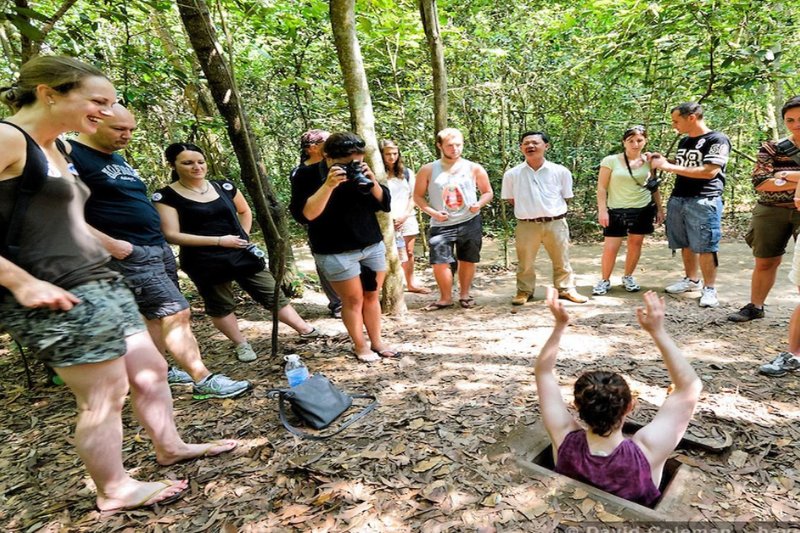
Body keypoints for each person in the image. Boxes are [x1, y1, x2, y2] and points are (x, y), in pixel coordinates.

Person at [0, 56, 235, 512]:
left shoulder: (60, 149)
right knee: (104, 395)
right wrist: (20, 281)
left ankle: (169, 446)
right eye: (98, 102)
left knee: (151, 373)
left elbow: (65, 218)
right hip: (54, 290)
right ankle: (113, 489)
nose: (107, 113)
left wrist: (109, 246)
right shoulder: (7, 138)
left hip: (100, 279)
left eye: (111, 103)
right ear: (50, 93)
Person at [69, 104, 249, 399]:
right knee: (177, 312)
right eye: (119, 129)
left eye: (131, 130)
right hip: (127, 252)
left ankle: (159, 369)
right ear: (91, 122)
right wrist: (112, 245)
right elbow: (61, 211)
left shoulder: (114, 158)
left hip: (154, 247)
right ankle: (202, 379)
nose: (127, 136)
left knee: (153, 316)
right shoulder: (71, 154)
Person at [535, 288, 702, 506]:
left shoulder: (563, 437)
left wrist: (559, 325)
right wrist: (657, 331)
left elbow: (543, 372)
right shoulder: (648, 449)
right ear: (630, 406)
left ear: (577, 406)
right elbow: (690, 386)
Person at [153, 143, 318, 362]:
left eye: (200, 162)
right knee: (220, 304)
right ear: (173, 164)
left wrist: (244, 236)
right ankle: (241, 344)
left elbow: (244, 210)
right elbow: (171, 234)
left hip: (240, 252)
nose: (196, 167)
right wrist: (220, 241)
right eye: (188, 163)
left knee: (270, 292)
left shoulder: (224, 186)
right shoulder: (165, 196)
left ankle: (305, 329)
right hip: (203, 259)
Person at [289, 132, 398, 362]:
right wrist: (329, 185)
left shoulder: (362, 170)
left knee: (372, 295)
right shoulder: (306, 175)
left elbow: (385, 204)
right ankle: (360, 346)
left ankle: (377, 342)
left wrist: (372, 180)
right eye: (345, 163)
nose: (351, 167)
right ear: (327, 156)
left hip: (370, 243)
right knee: (353, 300)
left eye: (356, 161)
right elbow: (306, 215)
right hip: (335, 249)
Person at [649, 102, 731, 308]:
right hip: (679, 197)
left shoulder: (717, 139)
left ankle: (710, 289)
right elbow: (683, 165)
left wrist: (667, 167)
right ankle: (691, 280)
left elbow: (709, 171)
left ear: (692, 118)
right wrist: (661, 159)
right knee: (684, 242)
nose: (674, 126)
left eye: (676, 121)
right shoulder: (685, 141)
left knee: (705, 245)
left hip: (704, 198)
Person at [729, 96, 800, 323]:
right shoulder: (772, 147)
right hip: (770, 210)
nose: (796, 124)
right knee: (765, 260)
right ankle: (755, 306)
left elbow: (774, 179)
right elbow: (761, 182)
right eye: (790, 120)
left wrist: (786, 175)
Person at [501, 131, 588, 305]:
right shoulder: (512, 174)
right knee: (525, 262)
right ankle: (524, 291)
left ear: (546, 146)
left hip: (555, 222)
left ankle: (565, 289)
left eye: (535, 143)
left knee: (561, 259)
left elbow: (566, 196)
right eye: (526, 143)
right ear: (521, 148)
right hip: (527, 224)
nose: (530, 146)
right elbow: (511, 200)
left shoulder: (560, 171)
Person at [413, 128, 493, 310]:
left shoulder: (474, 167)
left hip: (470, 220)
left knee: (468, 259)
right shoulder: (428, 169)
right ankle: (445, 297)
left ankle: (465, 295)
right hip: (441, 224)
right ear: (439, 145)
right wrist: (432, 213)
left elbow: (487, 192)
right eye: (450, 145)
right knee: (440, 262)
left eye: (458, 145)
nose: (455, 149)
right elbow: (417, 196)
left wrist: (479, 204)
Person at [593, 126, 665, 296]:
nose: (635, 144)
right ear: (624, 142)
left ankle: (628, 276)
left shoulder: (649, 161)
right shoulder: (610, 161)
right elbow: (601, 188)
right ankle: (605, 279)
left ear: (645, 141)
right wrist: (602, 210)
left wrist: (660, 209)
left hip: (642, 208)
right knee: (611, 247)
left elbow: (654, 187)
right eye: (630, 140)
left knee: (635, 243)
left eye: (639, 140)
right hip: (616, 210)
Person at [291, 129, 342, 318]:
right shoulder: (300, 173)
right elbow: (300, 206)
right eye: (325, 141)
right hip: (319, 226)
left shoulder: (335, 164)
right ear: (312, 148)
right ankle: (337, 303)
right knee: (325, 264)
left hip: (344, 222)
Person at [381, 139, 430, 294]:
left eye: (395, 153)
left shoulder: (406, 173)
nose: (392, 157)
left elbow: (414, 196)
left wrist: (404, 215)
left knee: (408, 253)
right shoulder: (376, 173)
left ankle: (411, 283)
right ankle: (386, 287)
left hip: (406, 218)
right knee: (384, 254)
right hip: (384, 220)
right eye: (388, 154)